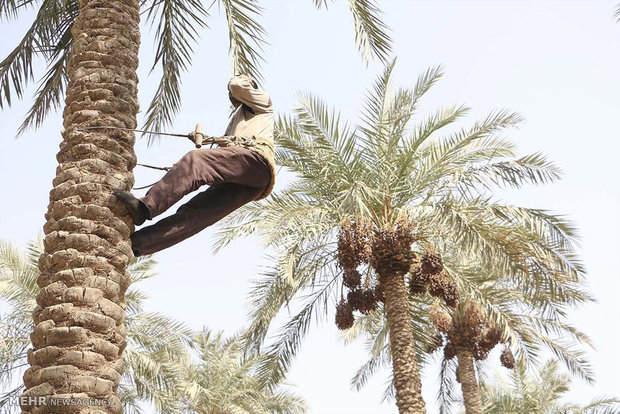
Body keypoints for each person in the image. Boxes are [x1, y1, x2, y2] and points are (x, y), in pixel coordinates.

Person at [114, 74, 276, 257]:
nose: (231, 94)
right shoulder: (239, 119)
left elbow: (237, 85)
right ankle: (136, 244)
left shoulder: (263, 102)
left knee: (194, 161)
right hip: (251, 180)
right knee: (197, 214)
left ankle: (145, 207)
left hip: (256, 162)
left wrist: (240, 78)